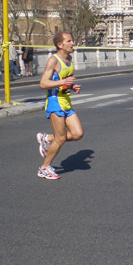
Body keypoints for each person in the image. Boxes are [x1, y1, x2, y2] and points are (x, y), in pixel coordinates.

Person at [36, 32, 84, 180]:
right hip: (55, 103)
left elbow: (62, 82)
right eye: (69, 41)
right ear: (60, 45)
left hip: (66, 102)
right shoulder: (53, 61)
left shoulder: (69, 60)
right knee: (61, 138)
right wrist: (64, 83)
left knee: (77, 134)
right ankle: (44, 168)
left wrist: (71, 86)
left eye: (72, 40)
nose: (72, 43)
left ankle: (47, 139)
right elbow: (43, 83)